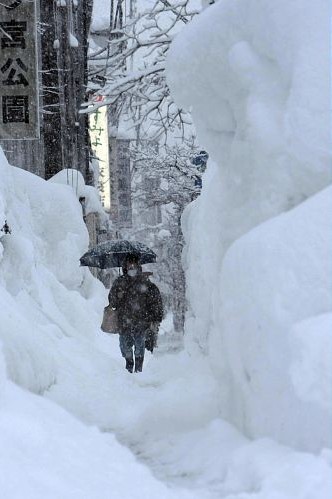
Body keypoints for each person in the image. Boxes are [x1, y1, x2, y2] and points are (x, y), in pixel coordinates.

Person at [108, 254, 163, 373]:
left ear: (138, 265)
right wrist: (117, 296)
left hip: (141, 321)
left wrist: (154, 316)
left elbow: (155, 299)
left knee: (139, 347)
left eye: (134, 263)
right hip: (124, 321)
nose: (131, 266)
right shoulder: (119, 282)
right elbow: (112, 302)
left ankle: (138, 370)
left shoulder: (144, 282)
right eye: (129, 263)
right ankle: (129, 366)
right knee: (125, 346)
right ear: (125, 266)